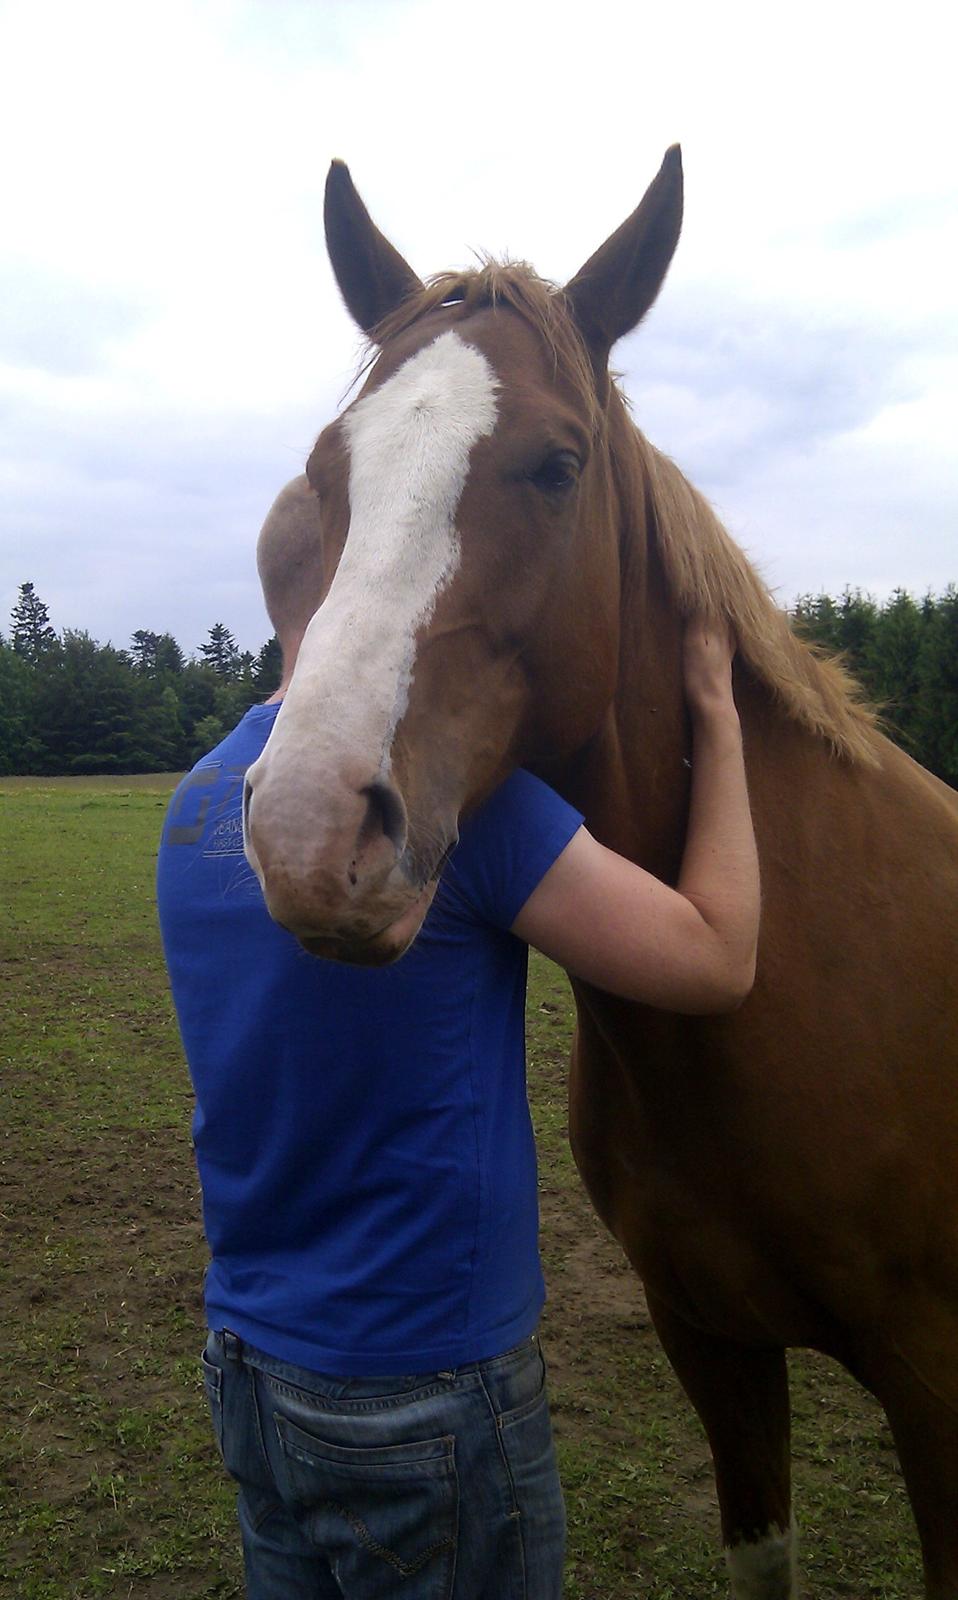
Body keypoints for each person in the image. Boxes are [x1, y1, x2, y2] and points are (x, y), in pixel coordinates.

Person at [156, 475, 760, 1600]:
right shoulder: (456, 809)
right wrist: (718, 721)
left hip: (247, 1365)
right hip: (422, 1386)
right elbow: (717, 960)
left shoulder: (197, 805)